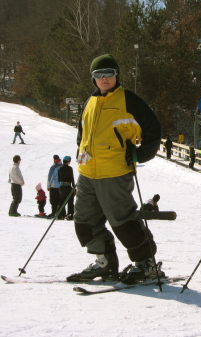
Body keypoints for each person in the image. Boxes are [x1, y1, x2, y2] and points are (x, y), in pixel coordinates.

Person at [68, 54, 163, 283]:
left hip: (115, 172)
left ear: (116, 75)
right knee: (84, 221)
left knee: (123, 221)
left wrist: (140, 154)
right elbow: (82, 133)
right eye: (98, 75)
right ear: (93, 78)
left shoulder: (128, 100)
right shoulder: (90, 102)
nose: (104, 79)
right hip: (87, 173)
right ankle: (105, 262)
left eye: (109, 74)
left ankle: (146, 264)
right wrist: (81, 153)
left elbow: (153, 128)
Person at [57, 156, 76, 220]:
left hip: (62, 187)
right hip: (68, 186)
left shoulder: (60, 168)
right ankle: (70, 215)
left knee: (62, 201)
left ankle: (60, 215)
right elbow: (72, 178)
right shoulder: (70, 168)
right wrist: (74, 188)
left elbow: (58, 179)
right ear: (68, 161)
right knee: (70, 202)